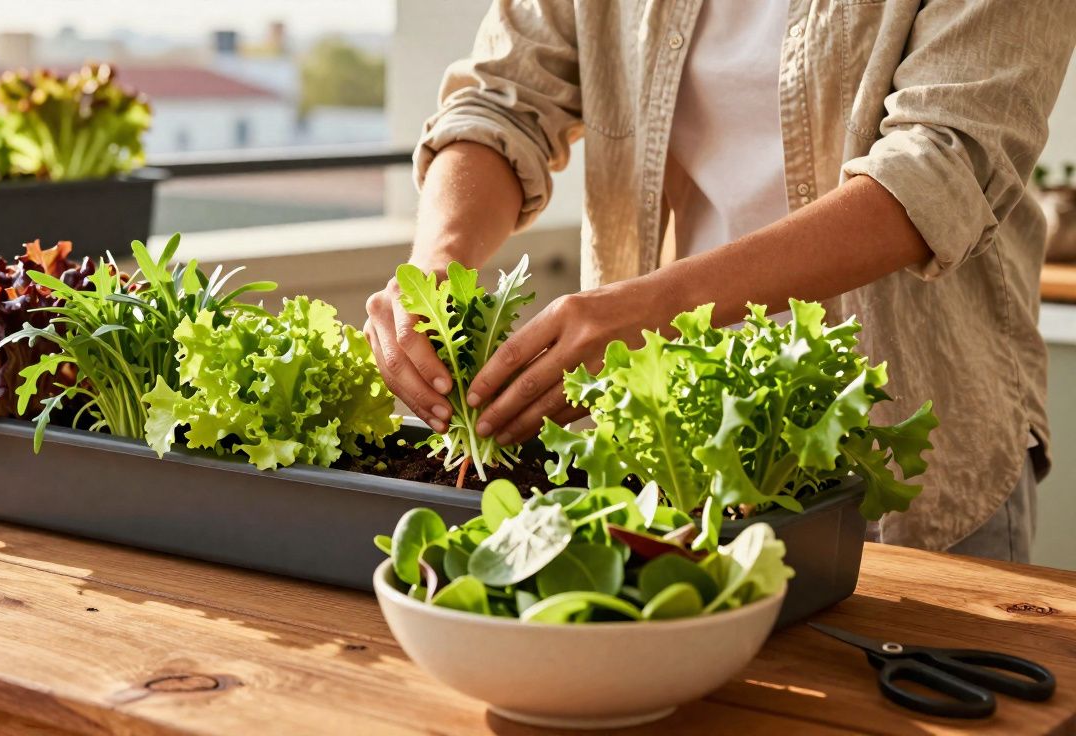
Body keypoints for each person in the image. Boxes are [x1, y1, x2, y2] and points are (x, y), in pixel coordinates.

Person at [364, 0, 1076, 562]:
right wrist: (436, 267)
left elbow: (942, 166)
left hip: (903, 460)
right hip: (664, 460)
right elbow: (501, 100)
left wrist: (650, 309)